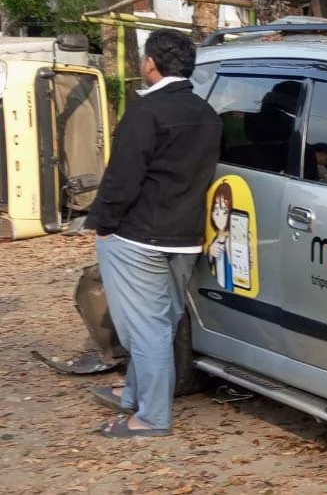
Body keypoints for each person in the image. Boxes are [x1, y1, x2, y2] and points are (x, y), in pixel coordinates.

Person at [84, 29, 222, 439]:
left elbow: (122, 179)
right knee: (163, 321)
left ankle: (152, 417)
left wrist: (103, 225)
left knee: (144, 329)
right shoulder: (207, 115)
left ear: (150, 64)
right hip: (186, 236)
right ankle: (133, 396)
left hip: (138, 237)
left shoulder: (146, 112)